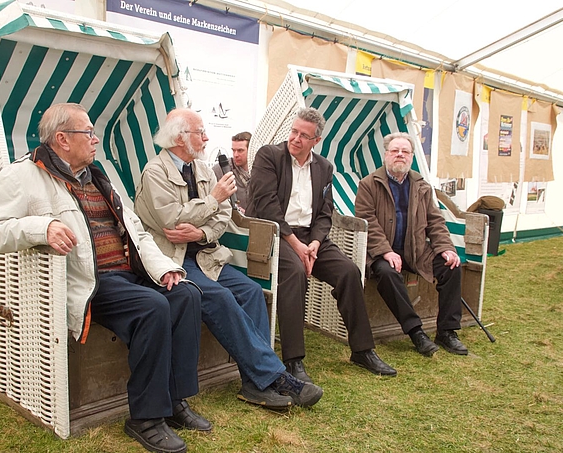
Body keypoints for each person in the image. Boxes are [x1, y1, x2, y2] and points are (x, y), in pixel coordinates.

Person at [0, 103, 208, 453]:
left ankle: (173, 399)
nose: (95, 139)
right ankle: (146, 418)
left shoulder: (97, 176)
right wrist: (42, 227)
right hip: (89, 281)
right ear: (62, 139)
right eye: (88, 133)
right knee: (152, 306)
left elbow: (136, 233)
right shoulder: (22, 175)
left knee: (187, 294)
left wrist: (164, 267)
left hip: (128, 272)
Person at [133, 108, 323, 411]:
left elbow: (223, 217)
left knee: (250, 292)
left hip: (205, 254)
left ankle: (254, 383)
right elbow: (171, 222)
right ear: (180, 137)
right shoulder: (155, 172)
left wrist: (201, 232)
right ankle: (276, 377)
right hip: (172, 262)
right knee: (220, 297)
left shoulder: (203, 169)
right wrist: (213, 200)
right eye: (200, 132)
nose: (206, 137)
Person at [246, 107, 397, 380]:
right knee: (294, 274)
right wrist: (296, 244)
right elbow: (266, 207)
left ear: (316, 141)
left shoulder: (325, 167)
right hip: (275, 234)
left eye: (304, 136)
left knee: (349, 272)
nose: (295, 139)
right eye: (294, 131)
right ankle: (294, 360)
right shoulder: (269, 156)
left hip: (310, 238)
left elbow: (325, 212)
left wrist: (315, 242)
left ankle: (362, 350)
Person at [354, 132, 468, 357]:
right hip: (380, 253)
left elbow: (435, 220)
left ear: (412, 157)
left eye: (405, 152)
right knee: (387, 274)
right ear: (385, 155)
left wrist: (446, 248)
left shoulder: (421, 185)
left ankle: (447, 331)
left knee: (452, 267)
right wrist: (385, 251)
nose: (400, 155)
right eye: (395, 151)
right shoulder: (368, 184)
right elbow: (368, 221)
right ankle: (416, 332)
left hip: (415, 250)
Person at [212, 131, 251, 213]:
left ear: (250, 150)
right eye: (233, 150)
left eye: (240, 150)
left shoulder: (261, 169)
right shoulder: (221, 168)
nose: (236, 154)